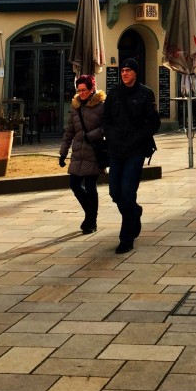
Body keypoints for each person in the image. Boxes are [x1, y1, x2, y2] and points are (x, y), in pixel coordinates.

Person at [102, 57, 160, 254]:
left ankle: (126, 238)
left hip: (135, 151)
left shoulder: (145, 93)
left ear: (136, 72)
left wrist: (138, 138)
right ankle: (135, 212)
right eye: (122, 70)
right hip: (116, 150)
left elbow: (153, 122)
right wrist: (111, 136)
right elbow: (106, 119)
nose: (124, 73)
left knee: (127, 191)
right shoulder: (114, 93)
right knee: (114, 192)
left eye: (128, 70)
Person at [59, 74, 106, 235]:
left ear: (92, 89)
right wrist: (63, 152)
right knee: (74, 184)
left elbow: (107, 127)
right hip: (78, 151)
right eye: (78, 90)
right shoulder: (75, 107)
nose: (81, 93)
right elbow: (69, 131)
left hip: (94, 152)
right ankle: (90, 214)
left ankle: (91, 221)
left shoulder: (101, 106)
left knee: (91, 187)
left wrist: (91, 135)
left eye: (84, 90)